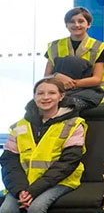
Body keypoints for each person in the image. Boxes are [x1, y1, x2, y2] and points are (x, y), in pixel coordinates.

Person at [0, 79, 87, 213]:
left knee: (36, 208)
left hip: (60, 181)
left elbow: (68, 162)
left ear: (61, 96)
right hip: (24, 183)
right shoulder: (19, 126)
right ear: (34, 97)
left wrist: (34, 190)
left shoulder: (73, 124)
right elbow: (9, 162)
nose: (45, 97)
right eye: (40, 93)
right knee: (6, 209)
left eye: (51, 93)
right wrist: (20, 190)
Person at [44, 7, 104, 112]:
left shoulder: (99, 47)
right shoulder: (54, 46)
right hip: (60, 91)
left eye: (81, 21)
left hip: (90, 91)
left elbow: (97, 79)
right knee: (34, 107)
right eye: (71, 22)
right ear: (66, 25)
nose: (76, 25)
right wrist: (56, 76)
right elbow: (47, 76)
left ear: (88, 24)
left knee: (67, 106)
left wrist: (70, 83)